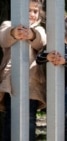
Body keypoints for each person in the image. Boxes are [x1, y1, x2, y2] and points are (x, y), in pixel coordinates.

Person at [0, 0, 47, 140]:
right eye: (28, 10)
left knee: (30, 120)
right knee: (11, 119)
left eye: (35, 11)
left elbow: (42, 41)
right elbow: (3, 37)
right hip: (11, 83)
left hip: (31, 84)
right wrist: (14, 33)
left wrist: (31, 35)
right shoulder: (8, 24)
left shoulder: (38, 28)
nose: (32, 14)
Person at [36, 13, 67, 141]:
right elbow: (39, 58)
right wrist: (48, 57)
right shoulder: (56, 47)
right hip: (61, 90)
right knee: (59, 122)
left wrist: (65, 61)